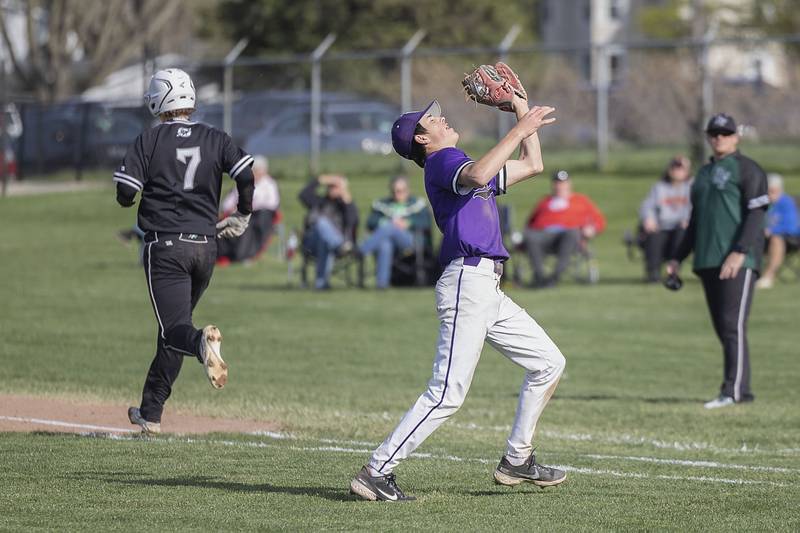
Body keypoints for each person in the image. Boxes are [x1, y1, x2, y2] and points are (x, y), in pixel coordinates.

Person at [350, 93, 567, 502]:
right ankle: (377, 471)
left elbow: (533, 165)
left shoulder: (457, 162)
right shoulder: (443, 161)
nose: (441, 118)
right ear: (421, 139)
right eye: (431, 119)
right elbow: (480, 172)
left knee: (548, 363)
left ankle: (517, 459)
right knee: (447, 392)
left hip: (488, 287)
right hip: (468, 281)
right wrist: (519, 128)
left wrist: (523, 112)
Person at [114, 68, 255, 433]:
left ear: (158, 100)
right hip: (206, 247)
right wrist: (243, 213)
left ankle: (200, 343)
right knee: (171, 329)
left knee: (178, 330)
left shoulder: (149, 139)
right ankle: (151, 412)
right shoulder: (214, 136)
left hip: (166, 246)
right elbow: (245, 173)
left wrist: (132, 197)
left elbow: (126, 194)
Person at [668, 113, 769, 410]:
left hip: (738, 259)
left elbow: (756, 214)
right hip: (709, 258)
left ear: (736, 136)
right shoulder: (704, 174)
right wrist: (677, 257)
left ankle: (735, 391)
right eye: (714, 133)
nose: (719, 138)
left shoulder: (748, 169)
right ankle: (737, 389)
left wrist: (740, 250)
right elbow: (696, 222)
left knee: (732, 326)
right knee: (723, 327)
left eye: (725, 133)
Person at [523, 170, 606, 287]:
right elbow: (530, 224)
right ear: (552, 185)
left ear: (569, 184)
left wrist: (592, 228)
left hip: (568, 237)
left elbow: (599, 221)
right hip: (544, 236)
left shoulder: (581, 200)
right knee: (530, 236)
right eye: (557, 183)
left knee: (571, 233)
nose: (560, 186)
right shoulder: (545, 201)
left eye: (563, 183)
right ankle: (540, 277)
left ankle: (555, 276)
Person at [358, 175, 432, 289]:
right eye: (394, 191)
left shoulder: (417, 204)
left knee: (391, 226)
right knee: (384, 244)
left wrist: (408, 222)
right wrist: (386, 221)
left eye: (401, 191)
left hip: (412, 241)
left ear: (408, 190)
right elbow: (371, 222)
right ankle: (382, 284)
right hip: (390, 241)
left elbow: (425, 222)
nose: (397, 194)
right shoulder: (383, 204)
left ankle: (361, 251)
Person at [299, 174, 359, 290]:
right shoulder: (318, 201)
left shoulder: (344, 206)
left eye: (336, 187)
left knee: (325, 241)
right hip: (312, 243)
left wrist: (345, 194)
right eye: (330, 186)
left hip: (328, 244)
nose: (332, 189)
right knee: (321, 223)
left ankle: (321, 284)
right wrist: (322, 179)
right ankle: (339, 246)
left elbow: (353, 220)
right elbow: (303, 195)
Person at [217, 155, 280, 265]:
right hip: (239, 213)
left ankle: (244, 255)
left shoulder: (269, 184)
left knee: (248, 225)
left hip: (258, 216)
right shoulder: (244, 183)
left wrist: (249, 207)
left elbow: (272, 204)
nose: (255, 173)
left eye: (258, 170)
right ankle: (223, 254)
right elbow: (227, 203)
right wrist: (233, 208)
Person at [638, 156, 693, 282]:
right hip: (662, 227)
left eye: (681, 169)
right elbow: (647, 206)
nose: (677, 172)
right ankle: (653, 272)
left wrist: (689, 220)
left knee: (682, 233)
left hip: (682, 227)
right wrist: (649, 219)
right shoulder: (659, 187)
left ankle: (673, 270)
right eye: (675, 168)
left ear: (687, 171)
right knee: (653, 235)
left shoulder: (692, 187)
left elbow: (697, 207)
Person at [755, 173, 800, 289]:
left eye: (772, 191)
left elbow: (791, 226)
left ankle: (768, 277)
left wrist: (771, 230)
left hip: (790, 239)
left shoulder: (786, 202)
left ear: (780, 190)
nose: (769, 194)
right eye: (767, 191)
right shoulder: (761, 203)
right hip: (762, 240)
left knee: (776, 238)